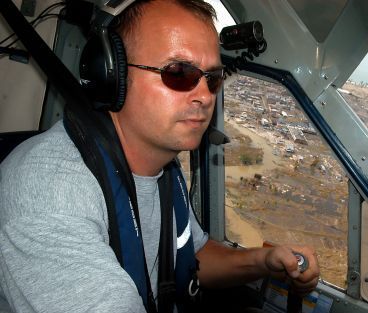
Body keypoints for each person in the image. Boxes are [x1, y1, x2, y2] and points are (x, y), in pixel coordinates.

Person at [0, 0, 320, 312]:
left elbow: (191, 255)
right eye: (179, 72)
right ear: (112, 75)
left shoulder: (164, 168)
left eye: (213, 78)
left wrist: (264, 261)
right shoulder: (49, 193)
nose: (205, 96)